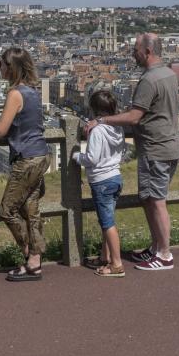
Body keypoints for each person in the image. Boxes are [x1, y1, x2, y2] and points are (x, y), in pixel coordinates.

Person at [85, 33, 179, 271]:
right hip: (169, 144)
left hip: (154, 147)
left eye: (135, 50)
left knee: (156, 201)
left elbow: (134, 116)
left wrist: (102, 120)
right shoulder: (169, 74)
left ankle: (165, 255)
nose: (132, 54)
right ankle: (156, 248)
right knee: (150, 199)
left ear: (147, 52)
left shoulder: (149, 80)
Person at [0, 47, 51, 281]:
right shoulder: (32, 92)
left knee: (7, 209)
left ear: (11, 67)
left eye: (1, 64)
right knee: (30, 209)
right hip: (40, 155)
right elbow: (20, 127)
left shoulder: (15, 94)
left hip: (27, 158)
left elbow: (0, 129)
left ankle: (30, 253)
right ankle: (35, 263)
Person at [73, 90, 126, 278]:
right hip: (116, 177)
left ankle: (117, 264)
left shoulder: (97, 131)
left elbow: (92, 158)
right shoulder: (117, 128)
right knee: (109, 219)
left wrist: (77, 156)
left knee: (107, 223)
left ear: (94, 110)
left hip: (101, 181)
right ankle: (106, 256)